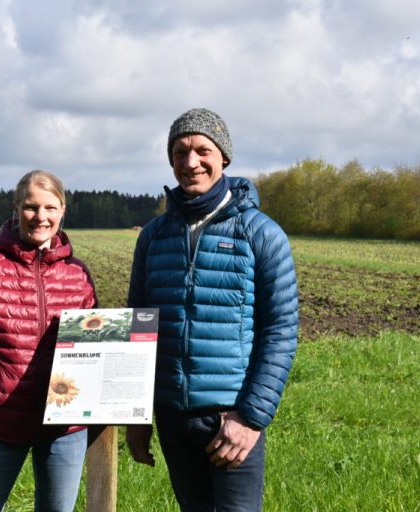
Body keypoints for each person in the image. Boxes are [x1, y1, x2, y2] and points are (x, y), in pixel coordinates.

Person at [126, 108, 298, 512]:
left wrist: (250, 418)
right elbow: (139, 327)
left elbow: (281, 330)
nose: (191, 162)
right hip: (173, 417)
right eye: (180, 152)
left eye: (202, 150)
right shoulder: (153, 237)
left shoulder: (261, 233)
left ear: (224, 156)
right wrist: (137, 416)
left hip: (231, 418)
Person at [0, 170, 98, 512]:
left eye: (50, 207)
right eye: (31, 207)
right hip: (0, 423)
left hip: (64, 428)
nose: (40, 217)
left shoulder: (78, 275)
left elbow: (94, 347)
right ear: (16, 208)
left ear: (62, 211)